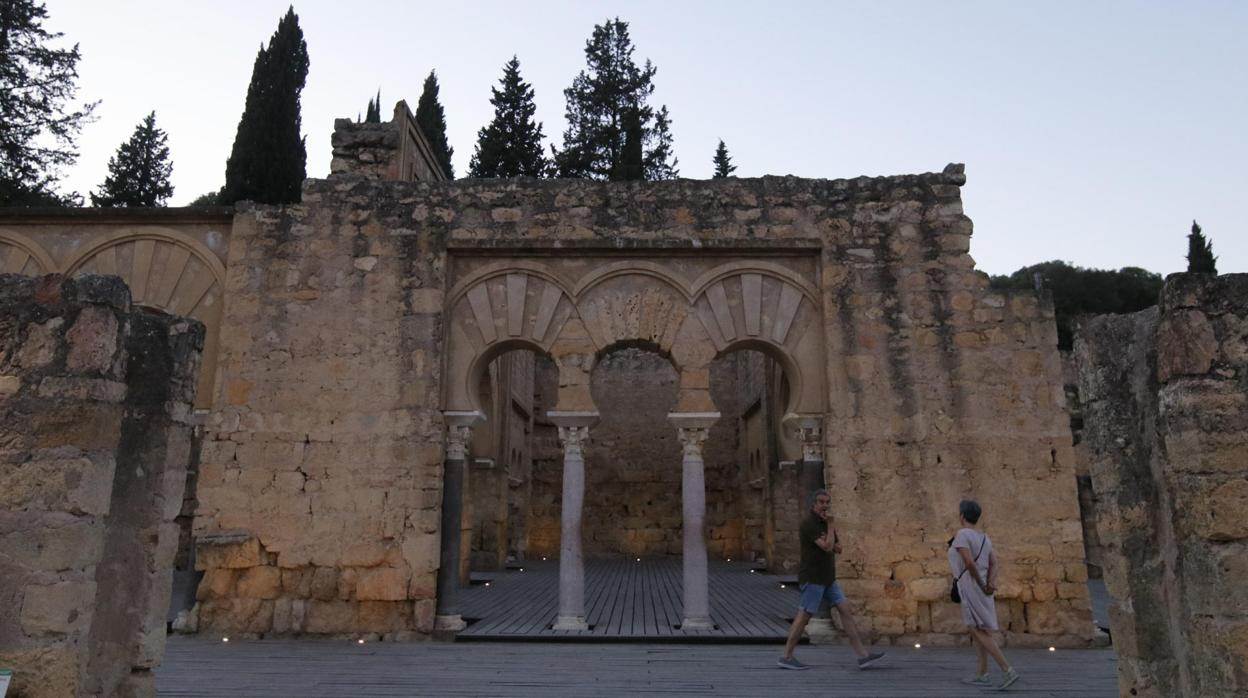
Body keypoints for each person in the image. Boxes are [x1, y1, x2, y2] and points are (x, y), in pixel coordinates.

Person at [778, 489, 885, 670]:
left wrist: (830, 531)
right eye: (821, 502)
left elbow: (839, 548)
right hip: (813, 577)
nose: (825, 505)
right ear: (814, 504)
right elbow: (828, 547)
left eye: (827, 502)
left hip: (828, 578)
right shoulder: (810, 523)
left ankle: (862, 656)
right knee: (804, 616)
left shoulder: (826, 523)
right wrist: (830, 529)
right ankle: (786, 656)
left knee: (845, 610)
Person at [949, 498, 1019, 690]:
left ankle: (1007, 669)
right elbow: (994, 563)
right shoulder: (985, 538)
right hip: (983, 590)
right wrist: (990, 583)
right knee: (982, 629)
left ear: (962, 516)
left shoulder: (962, 535)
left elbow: (969, 563)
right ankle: (982, 673)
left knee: (976, 629)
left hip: (971, 587)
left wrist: (981, 584)